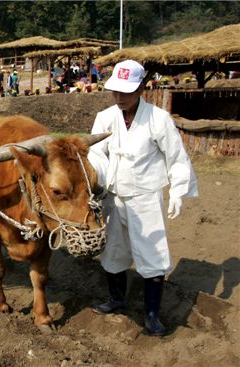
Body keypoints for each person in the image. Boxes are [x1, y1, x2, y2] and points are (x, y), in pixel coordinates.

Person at [87, 60, 199, 336]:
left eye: (126, 92)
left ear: (141, 88)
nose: (120, 97)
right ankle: (116, 298)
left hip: (145, 197)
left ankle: (151, 314)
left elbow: (177, 158)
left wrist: (177, 191)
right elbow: (96, 154)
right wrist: (96, 185)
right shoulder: (105, 117)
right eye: (116, 92)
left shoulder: (158, 119)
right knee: (113, 251)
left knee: (152, 253)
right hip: (113, 196)